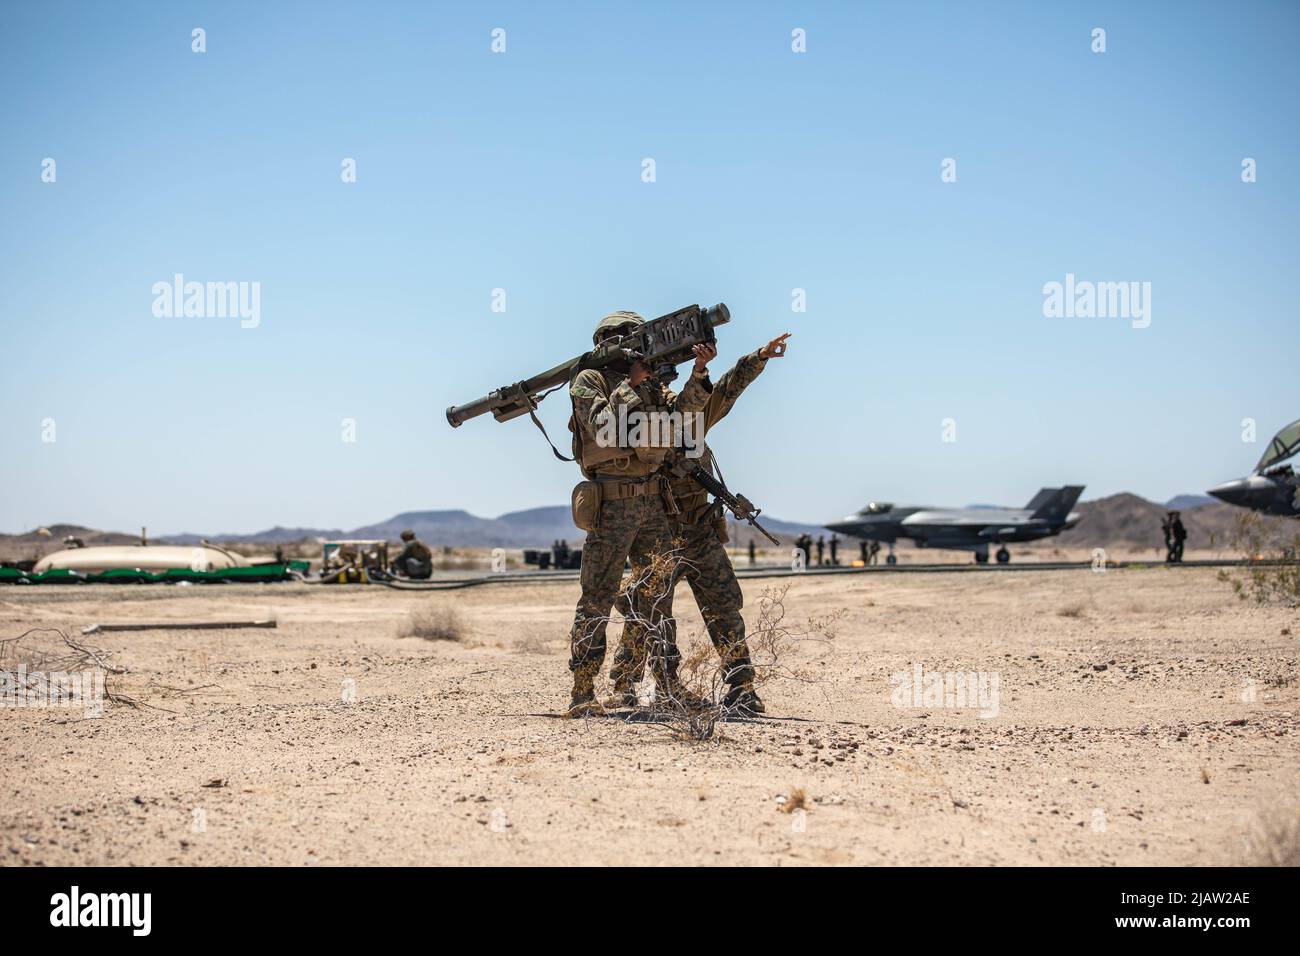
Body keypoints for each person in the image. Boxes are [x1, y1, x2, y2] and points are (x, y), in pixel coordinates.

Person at [606, 333, 792, 716]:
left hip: (699, 531)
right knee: (648, 611)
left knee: (724, 606)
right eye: (659, 383)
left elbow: (726, 390)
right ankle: (626, 684)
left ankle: (741, 686)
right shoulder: (635, 427)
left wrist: (758, 357)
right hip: (659, 536)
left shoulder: (692, 415)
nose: (666, 389)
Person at [565, 311, 714, 716]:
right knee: (596, 597)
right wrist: (630, 384)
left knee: (658, 599)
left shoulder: (651, 383)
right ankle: (583, 691)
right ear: (604, 341)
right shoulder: (589, 381)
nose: (628, 340)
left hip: (652, 502)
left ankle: (668, 688)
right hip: (612, 502)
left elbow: (684, 417)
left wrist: (698, 373)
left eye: (633, 334)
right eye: (619, 336)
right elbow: (603, 429)